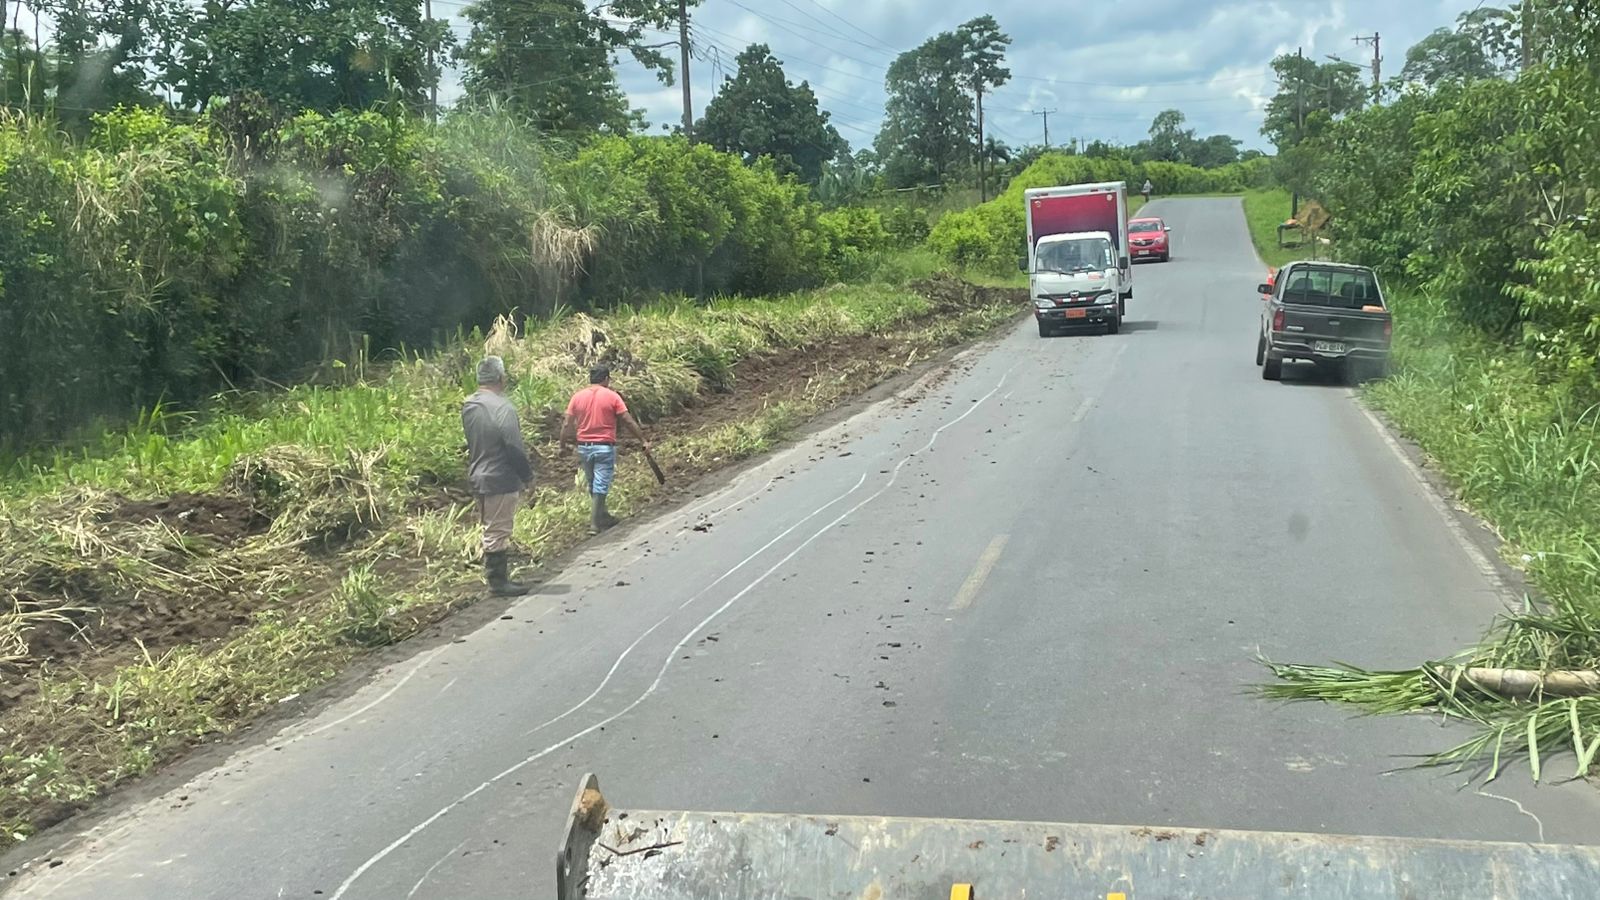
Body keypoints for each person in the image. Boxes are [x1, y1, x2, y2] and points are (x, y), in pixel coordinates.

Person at [462, 356, 535, 596]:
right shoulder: (503, 408)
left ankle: (498, 579)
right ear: (501, 378)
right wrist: (528, 477)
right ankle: (498, 582)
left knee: (490, 526)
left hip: (478, 473)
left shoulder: (470, 405)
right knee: (498, 530)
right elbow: (514, 447)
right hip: (500, 476)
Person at [560, 365, 651, 534]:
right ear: (606, 379)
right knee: (601, 484)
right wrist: (642, 440)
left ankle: (603, 515)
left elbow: (567, 424)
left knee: (593, 482)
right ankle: (595, 524)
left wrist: (562, 445)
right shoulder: (612, 396)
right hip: (604, 446)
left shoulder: (577, 397)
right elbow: (627, 420)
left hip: (584, 447)